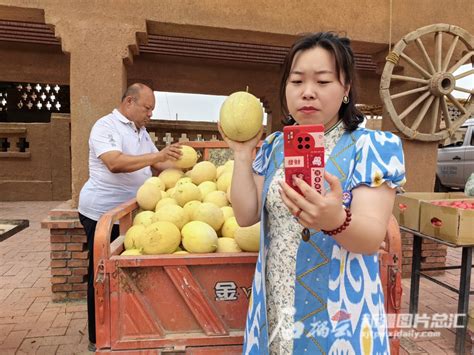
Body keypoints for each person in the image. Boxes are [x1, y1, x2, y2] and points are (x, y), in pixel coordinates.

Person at [219, 32, 406, 354]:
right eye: (296, 82)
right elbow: (245, 214)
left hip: (340, 311)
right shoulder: (277, 146)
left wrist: (335, 220)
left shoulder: (372, 146)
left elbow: (372, 237)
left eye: (322, 82)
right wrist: (241, 153)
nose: (307, 93)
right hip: (276, 300)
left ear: (346, 88)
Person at [78, 83, 181, 350]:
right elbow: (115, 162)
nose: (150, 114)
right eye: (147, 108)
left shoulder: (141, 132)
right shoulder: (105, 126)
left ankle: (124, 326)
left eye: (152, 110)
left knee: (124, 272)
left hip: (130, 214)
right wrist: (157, 155)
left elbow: (157, 163)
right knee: (100, 271)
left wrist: (188, 167)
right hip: (102, 214)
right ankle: (97, 336)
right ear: (129, 103)